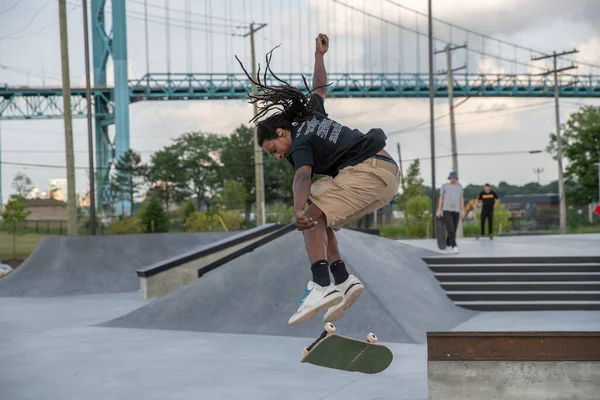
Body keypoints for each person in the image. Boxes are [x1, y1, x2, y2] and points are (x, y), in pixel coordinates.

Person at [236, 34, 400, 326]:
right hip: (384, 174)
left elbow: (302, 176)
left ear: (282, 133)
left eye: (274, 150)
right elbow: (320, 88)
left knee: (310, 215)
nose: (276, 157)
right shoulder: (311, 113)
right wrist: (320, 56)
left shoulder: (298, 143)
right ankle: (343, 280)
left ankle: (321, 285)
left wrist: (298, 211)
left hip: (368, 171)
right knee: (320, 208)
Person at [436, 171, 465, 254]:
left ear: (456, 178)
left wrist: (463, 210)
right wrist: (439, 209)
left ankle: (448, 245)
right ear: (449, 178)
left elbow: (461, 199)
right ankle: (454, 246)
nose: (453, 179)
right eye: (452, 178)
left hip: (456, 210)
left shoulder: (459, 187)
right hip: (446, 210)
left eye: (454, 178)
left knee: (454, 229)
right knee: (450, 228)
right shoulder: (445, 186)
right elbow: (441, 198)